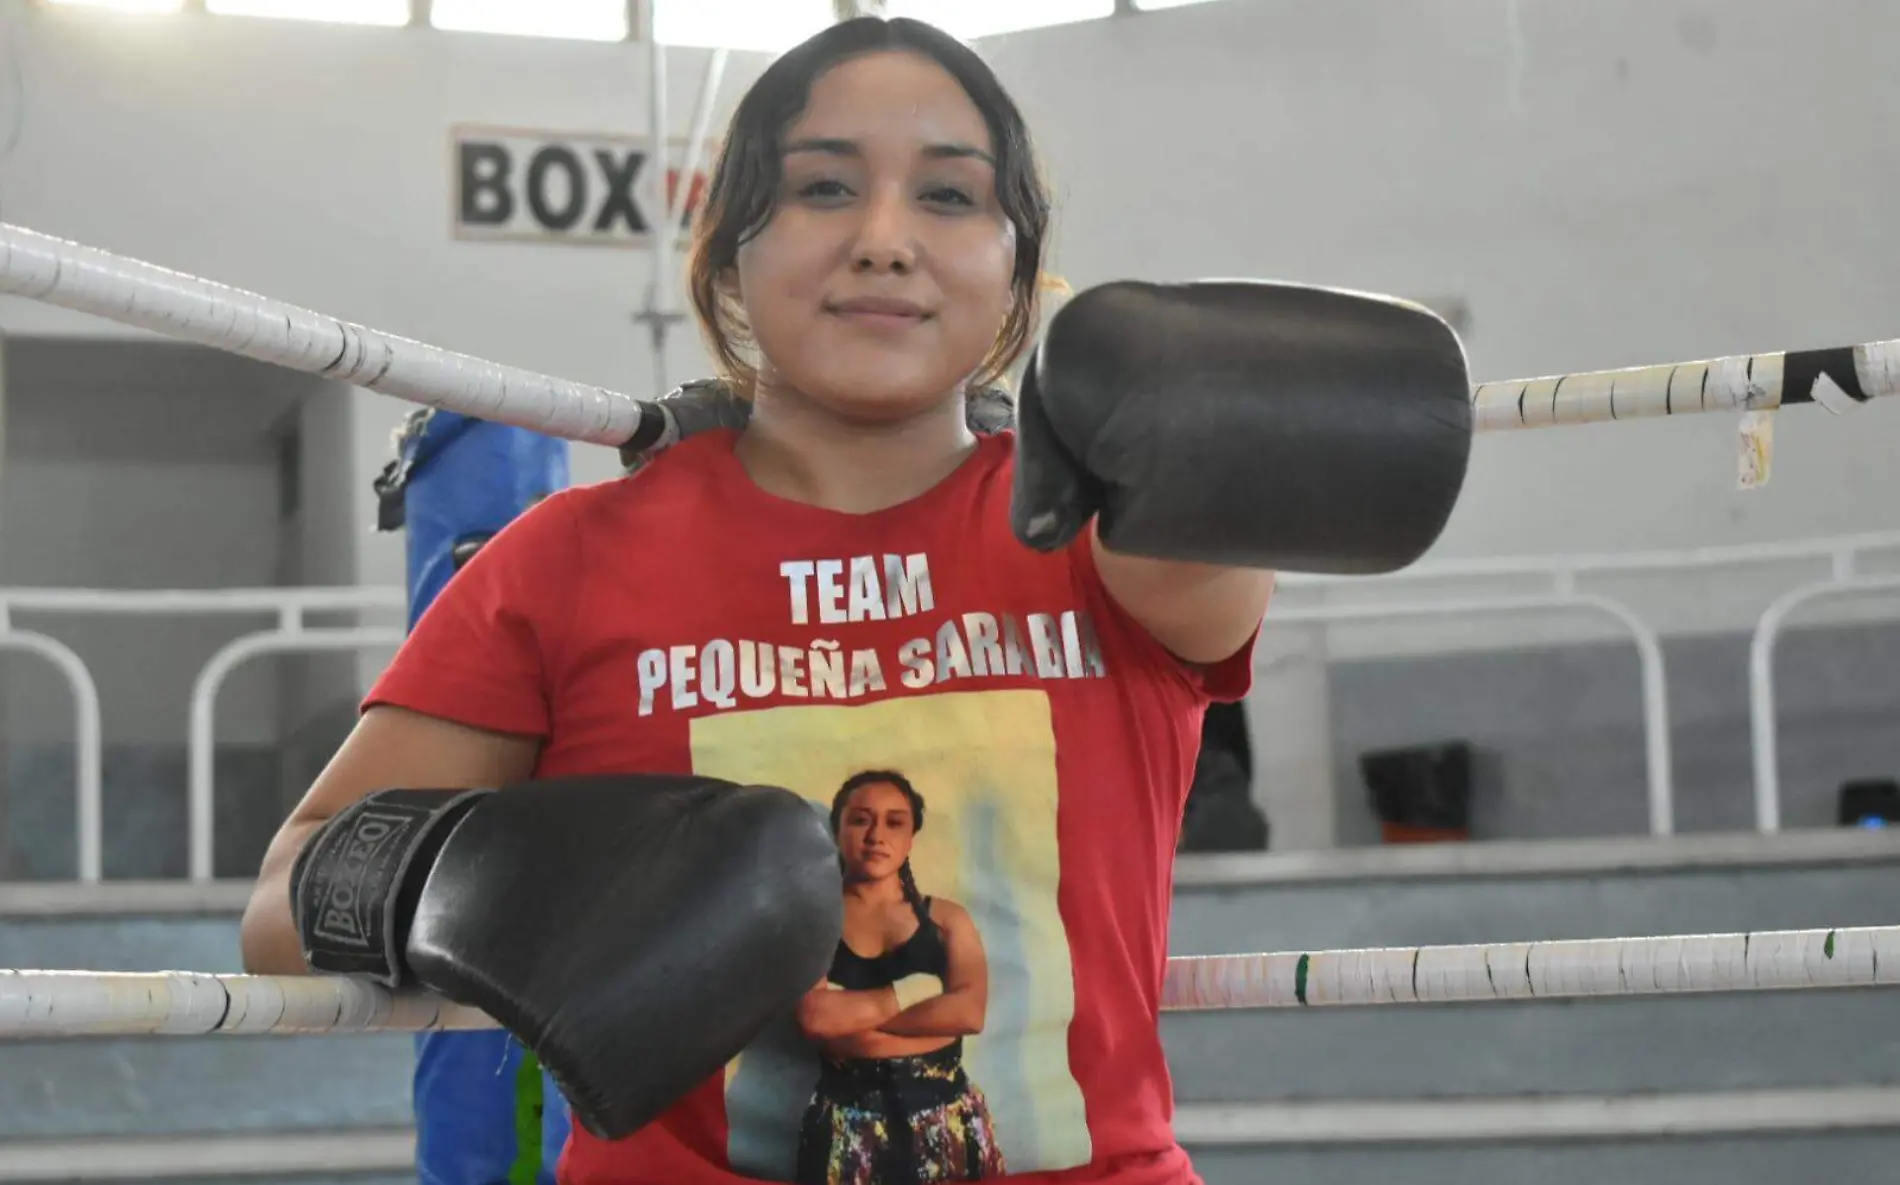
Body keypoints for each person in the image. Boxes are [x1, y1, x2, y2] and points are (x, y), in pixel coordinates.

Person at [239, 13, 1468, 1185]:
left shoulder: (1113, 535)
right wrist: (502, 894)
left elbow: (1221, 549)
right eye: (825, 186)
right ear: (731, 245)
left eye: (947, 194)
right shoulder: (564, 560)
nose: (884, 237)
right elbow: (285, 903)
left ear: (1014, 265)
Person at [794, 771, 1003, 1184]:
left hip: (948, 1125)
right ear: (838, 830)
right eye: (860, 820)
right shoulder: (811, 920)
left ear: (911, 839)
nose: (876, 835)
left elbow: (968, 1014)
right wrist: (917, 993)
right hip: (845, 1134)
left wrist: (855, 1014)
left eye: (894, 822)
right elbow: (815, 1020)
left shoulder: (946, 920)